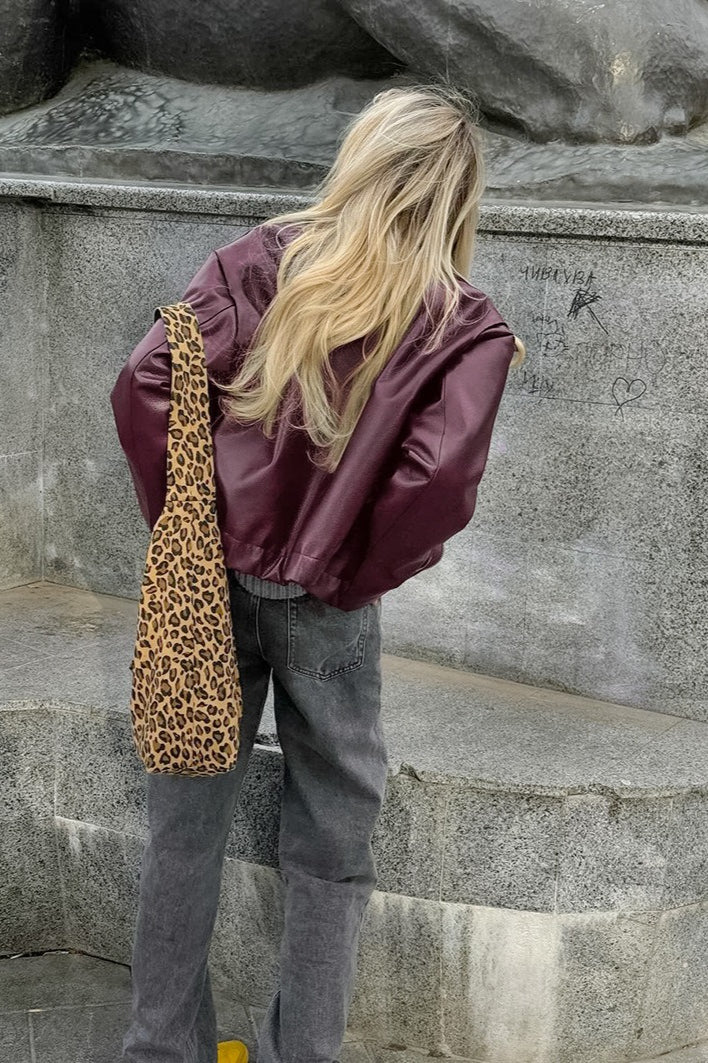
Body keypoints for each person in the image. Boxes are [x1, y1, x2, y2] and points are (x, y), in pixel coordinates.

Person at [110, 79, 525, 1063]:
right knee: (332, 846)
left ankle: (159, 1047)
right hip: (330, 609)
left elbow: (144, 380)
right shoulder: (464, 322)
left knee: (184, 826)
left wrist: (190, 528)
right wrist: (347, 571)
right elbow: (440, 481)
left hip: (212, 588)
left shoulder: (260, 259)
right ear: (457, 197)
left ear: (361, 159)